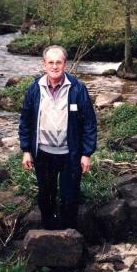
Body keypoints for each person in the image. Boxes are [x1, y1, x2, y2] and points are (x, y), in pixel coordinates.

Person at [19, 45, 97, 230]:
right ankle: (48, 231)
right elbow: (25, 121)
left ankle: (68, 235)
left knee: (70, 197)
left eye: (58, 62)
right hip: (43, 153)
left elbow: (89, 123)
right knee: (46, 196)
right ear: (44, 65)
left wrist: (86, 153)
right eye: (51, 62)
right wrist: (26, 150)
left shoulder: (77, 88)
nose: (55, 66)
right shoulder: (34, 89)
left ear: (65, 64)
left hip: (70, 154)